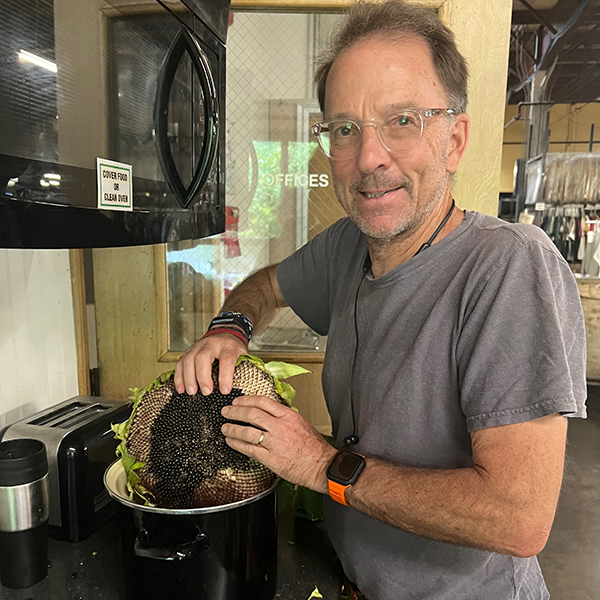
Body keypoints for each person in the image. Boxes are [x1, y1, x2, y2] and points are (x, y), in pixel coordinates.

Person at [175, 2, 587, 598]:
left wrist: (319, 466)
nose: (369, 158)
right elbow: (264, 286)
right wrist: (229, 330)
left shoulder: (508, 265)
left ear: (455, 139)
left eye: (402, 121)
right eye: (345, 128)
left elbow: (518, 517)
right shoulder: (349, 246)